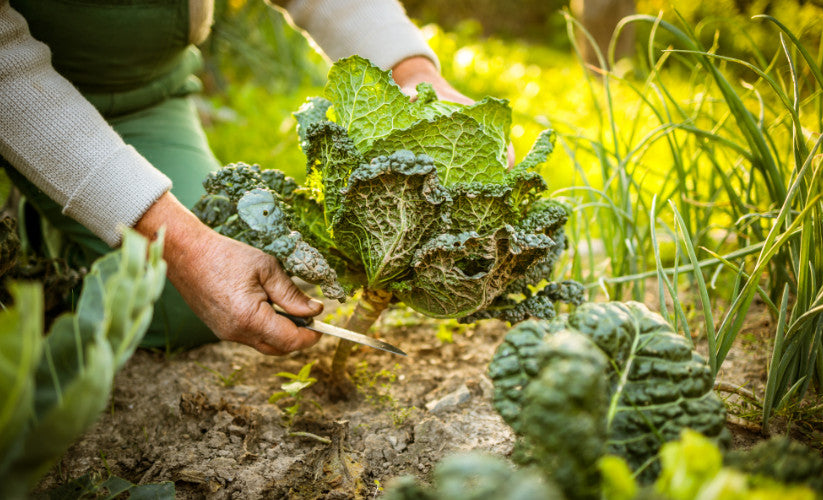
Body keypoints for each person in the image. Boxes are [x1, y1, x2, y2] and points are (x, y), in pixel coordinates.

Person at [0, 0, 473, 355]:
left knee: (207, 295)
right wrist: (185, 245)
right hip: (20, 101)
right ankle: (35, 250)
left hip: (145, 94)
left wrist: (411, 70)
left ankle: (59, 223)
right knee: (176, 283)